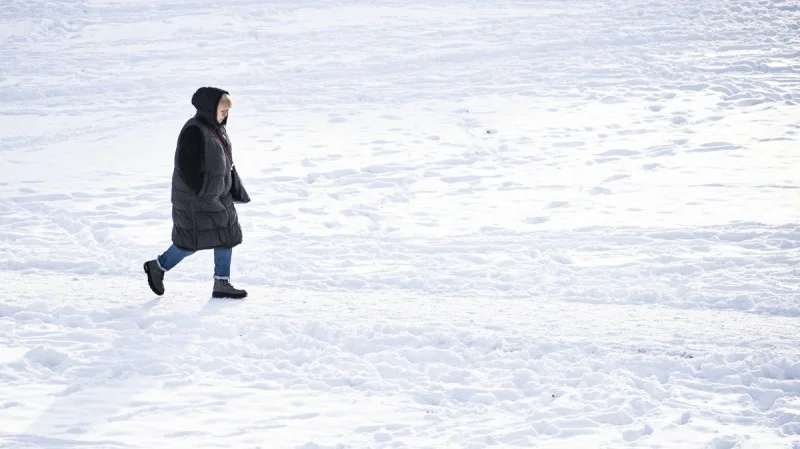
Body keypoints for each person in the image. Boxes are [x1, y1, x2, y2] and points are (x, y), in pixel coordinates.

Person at [143, 87, 250, 299]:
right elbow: (186, 167)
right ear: (209, 109)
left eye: (227, 111)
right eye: (222, 110)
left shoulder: (217, 130)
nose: (225, 115)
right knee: (189, 242)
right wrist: (204, 191)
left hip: (219, 195)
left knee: (226, 236)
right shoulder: (194, 130)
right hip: (196, 199)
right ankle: (157, 266)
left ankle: (222, 283)